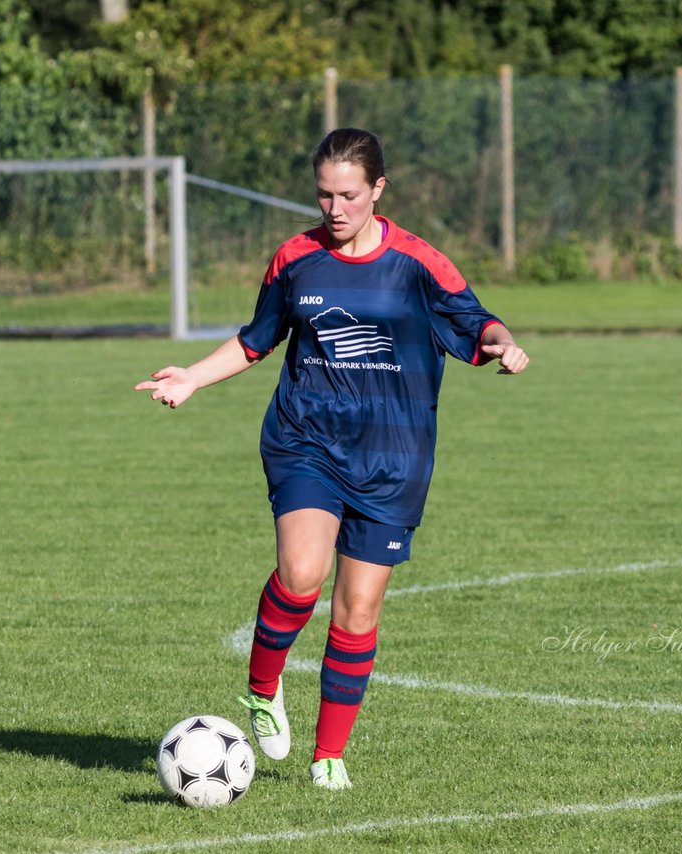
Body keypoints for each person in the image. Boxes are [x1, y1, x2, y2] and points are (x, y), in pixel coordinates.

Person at [135, 128, 528, 790]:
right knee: (302, 572)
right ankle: (262, 689)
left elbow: (479, 321)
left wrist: (504, 344)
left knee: (358, 610)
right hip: (305, 439)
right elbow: (257, 339)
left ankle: (328, 756)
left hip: (393, 458)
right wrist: (194, 377)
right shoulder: (295, 259)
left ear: (378, 188)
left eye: (349, 194)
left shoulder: (420, 265)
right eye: (324, 194)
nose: (334, 208)